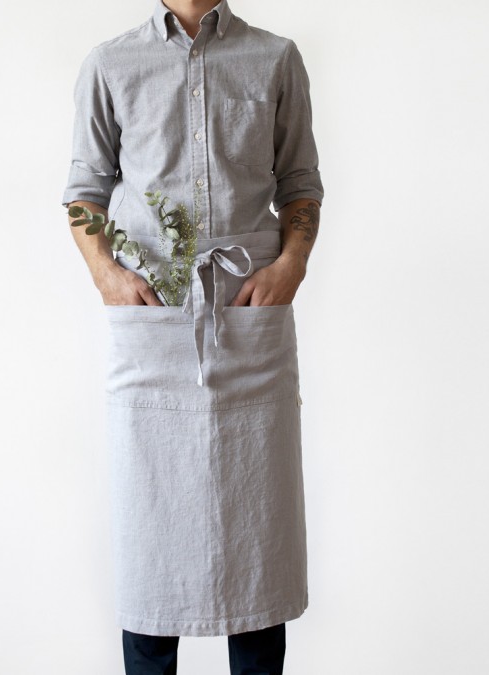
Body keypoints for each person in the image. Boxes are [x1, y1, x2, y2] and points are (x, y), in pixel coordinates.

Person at [61, 1, 324, 673]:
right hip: (152, 320)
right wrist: (108, 276)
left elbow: (300, 183)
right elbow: (84, 191)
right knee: (150, 534)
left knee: (257, 534)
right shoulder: (110, 63)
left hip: (248, 315)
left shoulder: (275, 58)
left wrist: (291, 264)